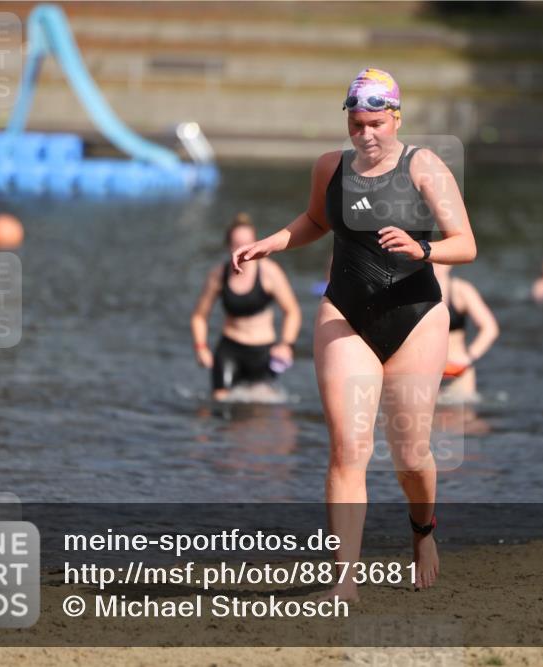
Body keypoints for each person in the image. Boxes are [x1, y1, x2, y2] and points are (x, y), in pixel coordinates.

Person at [229, 67, 476, 599]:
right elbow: (316, 222)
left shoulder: (424, 167)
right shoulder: (329, 168)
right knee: (347, 449)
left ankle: (423, 531)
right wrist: (271, 243)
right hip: (345, 313)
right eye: (357, 123)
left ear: (396, 118)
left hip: (416, 316)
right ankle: (345, 580)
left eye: (376, 123)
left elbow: (466, 243)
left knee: (411, 456)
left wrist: (424, 250)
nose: (365, 134)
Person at [191, 213, 302, 401]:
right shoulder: (218, 275)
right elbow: (199, 316)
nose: (242, 250)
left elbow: (292, 311)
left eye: (247, 243)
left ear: (255, 243)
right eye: (236, 244)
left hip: (262, 352)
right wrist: (201, 347)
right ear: (228, 246)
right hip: (229, 349)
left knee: (258, 413)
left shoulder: (270, 272)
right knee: (220, 404)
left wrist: (286, 344)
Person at [432, 263, 499, 403]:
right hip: (427, 371)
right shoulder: (415, 292)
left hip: (458, 367)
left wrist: (469, 356)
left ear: (449, 263)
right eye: (431, 261)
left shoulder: (461, 290)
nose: (436, 265)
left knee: (465, 420)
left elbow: (490, 328)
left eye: (440, 260)